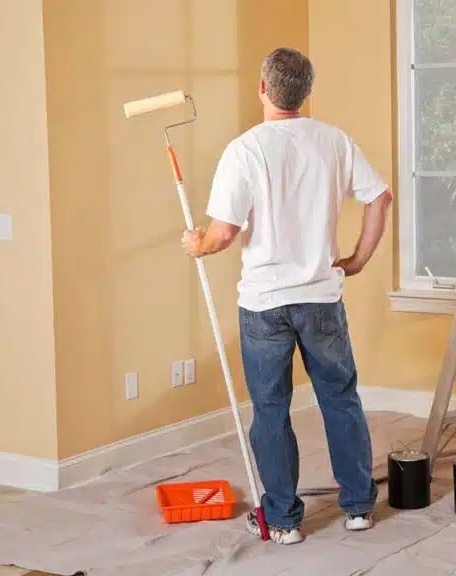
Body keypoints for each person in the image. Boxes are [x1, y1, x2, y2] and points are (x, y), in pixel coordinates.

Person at [180, 47, 392, 545]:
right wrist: (357, 260)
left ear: (262, 88)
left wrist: (198, 244)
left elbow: (223, 234)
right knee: (340, 399)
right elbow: (379, 198)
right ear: (306, 92)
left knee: (271, 410)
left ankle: (282, 520)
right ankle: (359, 508)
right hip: (321, 298)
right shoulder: (333, 141)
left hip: (264, 304)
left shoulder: (245, 150)